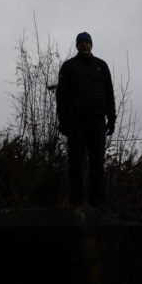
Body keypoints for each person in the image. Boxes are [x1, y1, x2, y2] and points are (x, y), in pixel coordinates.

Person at [56, 31, 116, 206]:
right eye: (81, 42)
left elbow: (109, 93)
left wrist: (111, 118)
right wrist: (63, 120)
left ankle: (98, 203)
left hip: (97, 121)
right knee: (74, 164)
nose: (84, 45)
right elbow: (61, 96)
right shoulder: (68, 67)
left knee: (97, 163)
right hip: (76, 122)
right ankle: (76, 202)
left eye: (87, 42)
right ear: (77, 46)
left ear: (91, 45)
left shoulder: (101, 65)